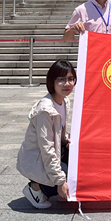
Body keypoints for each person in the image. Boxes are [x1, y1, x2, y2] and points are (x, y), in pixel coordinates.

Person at [17, 60, 75, 209]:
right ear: (52, 82)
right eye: (61, 79)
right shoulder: (45, 110)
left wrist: (68, 140)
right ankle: (35, 188)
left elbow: (59, 133)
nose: (67, 84)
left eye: (70, 79)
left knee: (79, 160)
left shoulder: (64, 101)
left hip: (50, 154)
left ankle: (57, 188)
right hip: (36, 159)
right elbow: (46, 149)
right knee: (66, 174)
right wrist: (61, 181)